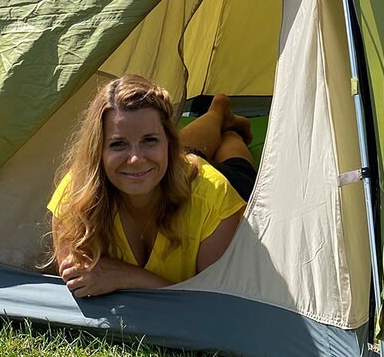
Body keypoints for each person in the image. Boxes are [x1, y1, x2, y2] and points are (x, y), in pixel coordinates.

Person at [48, 74, 257, 298]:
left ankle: (226, 122)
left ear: (170, 142)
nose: (135, 158)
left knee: (235, 157)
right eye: (118, 144)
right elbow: (77, 279)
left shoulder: (214, 196)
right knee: (156, 160)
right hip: (166, 171)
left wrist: (126, 276)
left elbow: (218, 302)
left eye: (150, 140)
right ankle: (218, 111)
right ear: (98, 151)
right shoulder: (77, 193)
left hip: (220, 179)